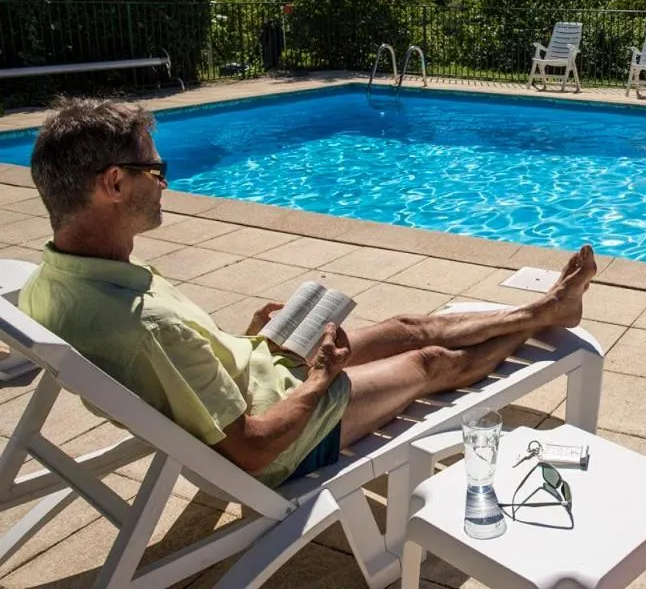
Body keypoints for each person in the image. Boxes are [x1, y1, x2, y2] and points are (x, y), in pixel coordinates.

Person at [19, 98, 597, 487]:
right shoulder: (143, 324)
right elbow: (252, 450)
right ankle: (539, 321)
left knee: (404, 326)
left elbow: (176, 368)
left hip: (257, 375)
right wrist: (322, 376)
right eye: (154, 169)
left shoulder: (55, 282)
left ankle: (545, 307)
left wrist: (245, 341)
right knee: (429, 360)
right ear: (113, 183)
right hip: (287, 436)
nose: (164, 181)